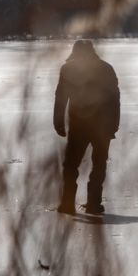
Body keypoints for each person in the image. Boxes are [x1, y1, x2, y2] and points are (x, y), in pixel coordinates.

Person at [54, 40, 120, 215]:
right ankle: (93, 204)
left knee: (70, 165)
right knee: (98, 165)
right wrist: (114, 125)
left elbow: (60, 97)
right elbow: (115, 99)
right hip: (102, 126)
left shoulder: (68, 69)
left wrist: (58, 121)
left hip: (79, 126)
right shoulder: (106, 68)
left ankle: (67, 204)